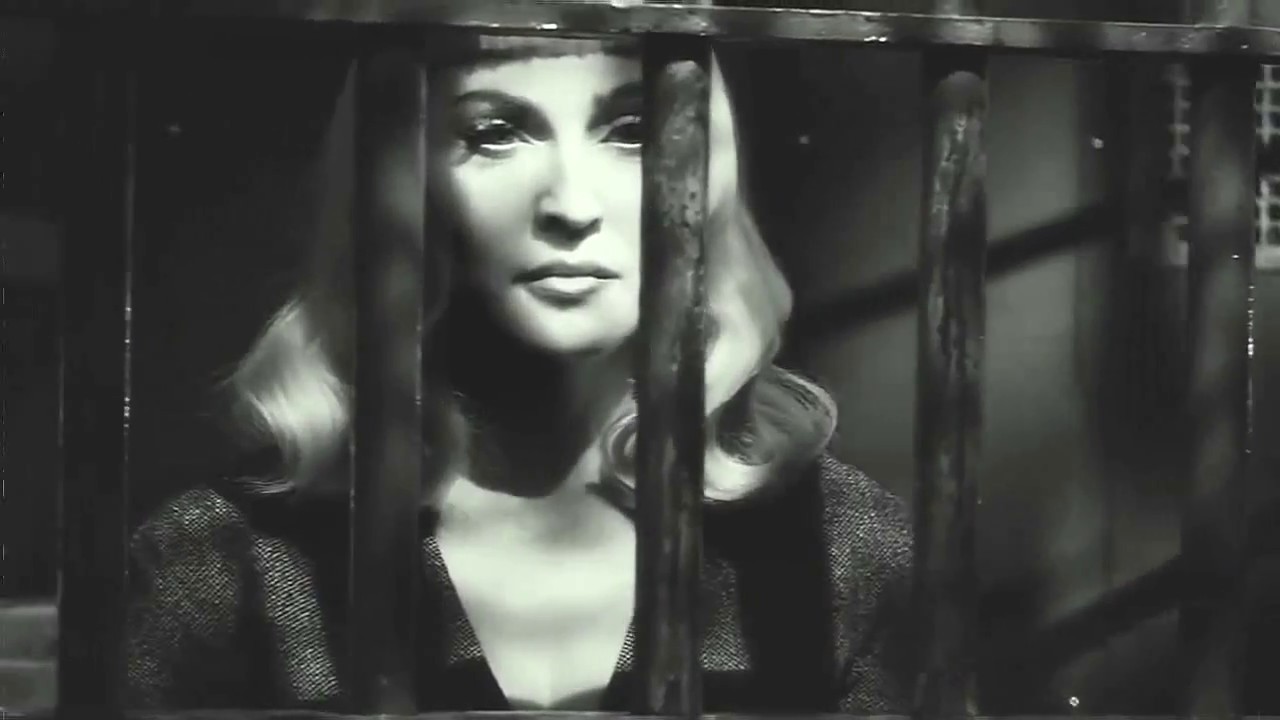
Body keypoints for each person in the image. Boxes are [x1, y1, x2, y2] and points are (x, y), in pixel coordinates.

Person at [122, 33, 915, 714]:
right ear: (399, 183)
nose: (569, 205)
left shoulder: (841, 552)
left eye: (634, 131)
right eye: (494, 134)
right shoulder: (222, 560)